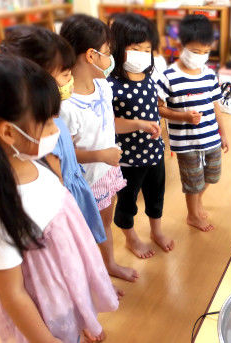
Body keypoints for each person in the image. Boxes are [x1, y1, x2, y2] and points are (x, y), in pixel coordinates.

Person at [0, 52, 118, 343]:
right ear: (9, 132)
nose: (55, 129)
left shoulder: (36, 161)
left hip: (66, 300)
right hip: (45, 320)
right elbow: (12, 295)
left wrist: (83, 314)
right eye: (47, 121)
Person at [0, 26, 126, 295]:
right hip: (63, 205)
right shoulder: (34, 134)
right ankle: (92, 288)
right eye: (66, 74)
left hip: (80, 190)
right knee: (73, 259)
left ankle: (100, 277)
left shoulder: (54, 118)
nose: (70, 80)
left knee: (96, 232)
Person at [60, 14, 159, 280]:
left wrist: (138, 123)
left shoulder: (103, 86)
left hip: (105, 174)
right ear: (91, 56)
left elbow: (109, 123)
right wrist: (100, 155)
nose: (112, 58)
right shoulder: (66, 106)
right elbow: (63, 156)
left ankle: (108, 266)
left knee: (104, 224)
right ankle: (90, 279)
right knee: (83, 234)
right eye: (107, 52)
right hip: (82, 183)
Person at [108, 13, 174, 259]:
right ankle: (130, 237)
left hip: (154, 151)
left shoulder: (148, 76)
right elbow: (110, 124)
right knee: (127, 201)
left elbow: (155, 109)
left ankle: (156, 230)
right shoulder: (111, 83)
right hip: (127, 158)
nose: (142, 54)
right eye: (135, 48)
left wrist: (163, 132)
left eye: (147, 49)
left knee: (156, 194)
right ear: (117, 47)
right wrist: (138, 124)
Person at [157, 14, 229, 232]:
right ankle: (192, 215)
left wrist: (223, 133)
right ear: (183, 45)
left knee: (212, 176)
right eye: (196, 51)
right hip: (186, 142)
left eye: (206, 52)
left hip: (211, 138)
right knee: (192, 182)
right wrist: (184, 117)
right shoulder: (168, 76)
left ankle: (197, 203)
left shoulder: (209, 74)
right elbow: (159, 108)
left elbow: (216, 105)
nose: (201, 56)